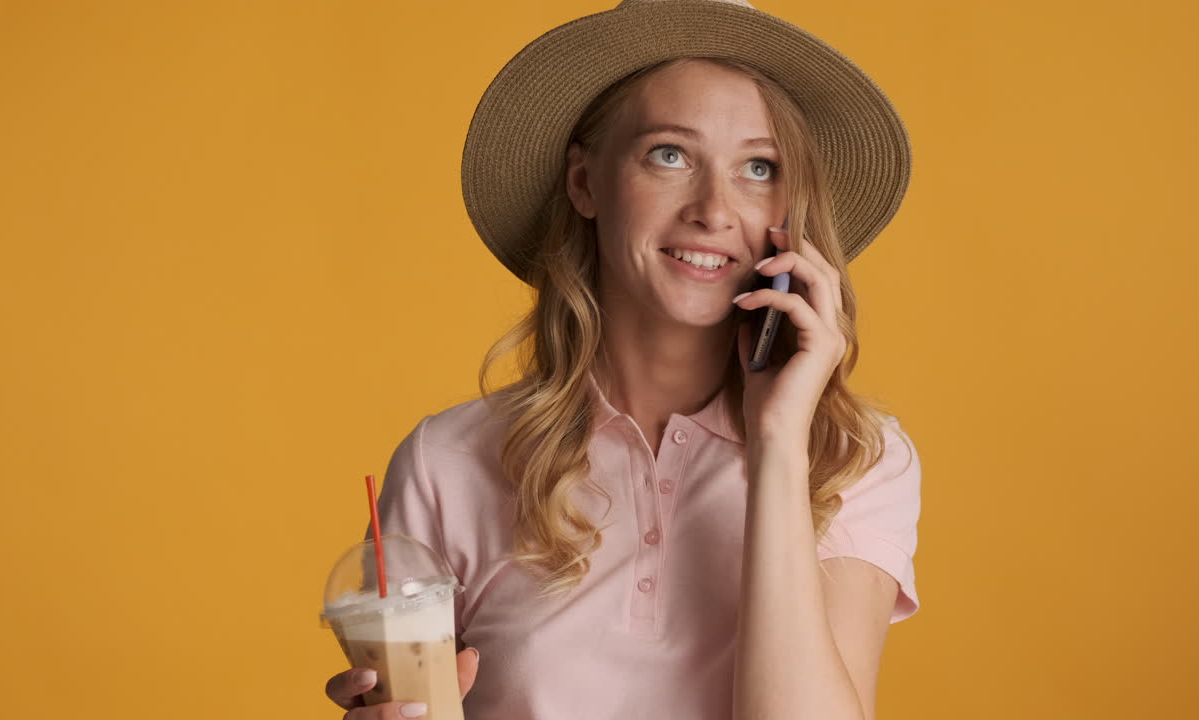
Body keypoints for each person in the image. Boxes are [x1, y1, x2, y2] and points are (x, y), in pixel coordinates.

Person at [325, 1, 921, 718]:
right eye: (669, 155)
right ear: (584, 182)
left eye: (759, 167)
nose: (714, 209)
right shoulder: (445, 464)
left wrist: (777, 446)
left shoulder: (852, 459)